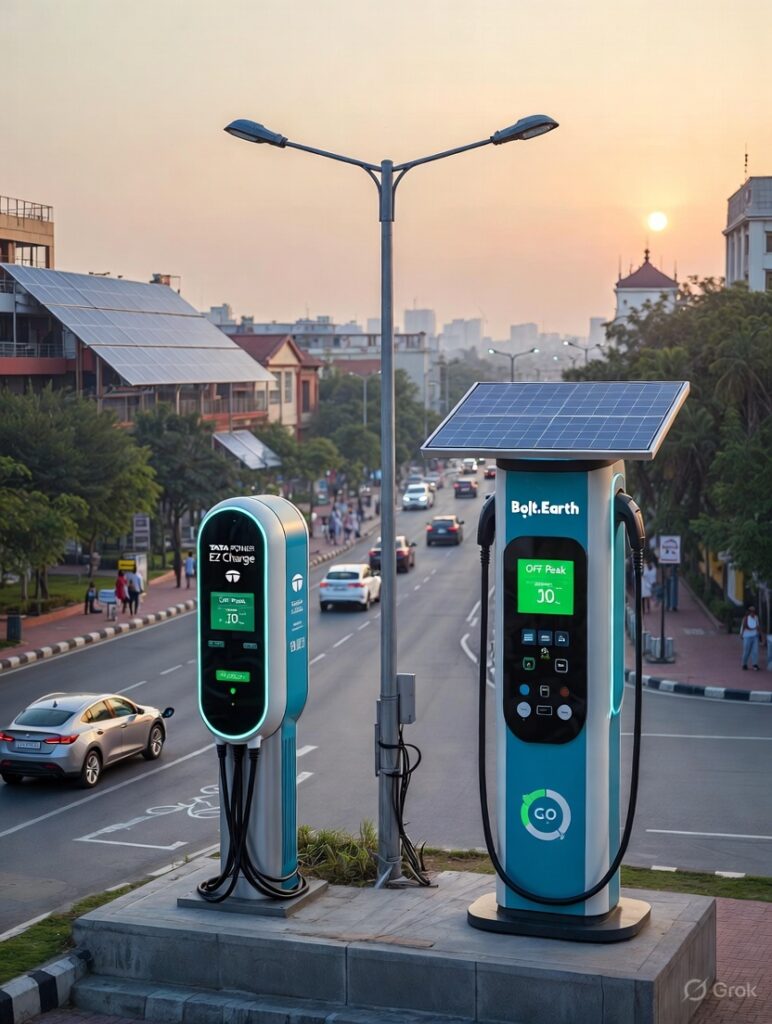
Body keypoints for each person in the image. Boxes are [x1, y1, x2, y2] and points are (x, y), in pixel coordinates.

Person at [740, 605, 762, 671]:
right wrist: (741, 634)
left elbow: (757, 626)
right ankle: (744, 664)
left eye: (753, 611)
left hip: (755, 636)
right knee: (746, 651)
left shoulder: (756, 617)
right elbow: (743, 626)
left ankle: (755, 664)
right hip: (747, 636)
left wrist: (759, 634)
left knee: (755, 651)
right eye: (751, 611)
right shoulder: (746, 618)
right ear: (749, 612)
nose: (753, 612)